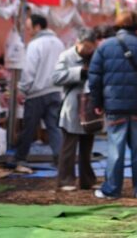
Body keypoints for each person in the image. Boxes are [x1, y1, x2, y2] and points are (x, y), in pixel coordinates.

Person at [88, 11, 137, 199]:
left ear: (118, 24)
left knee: (115, 148)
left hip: (114, 106)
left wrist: (97, 102)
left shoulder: (105, 48)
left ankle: (112, 190)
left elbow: (94, 78)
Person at [52, 27, 99, 192]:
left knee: (87, 146)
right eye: (84, 47)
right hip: (73, 105)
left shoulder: (97, 56)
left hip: (91, 105)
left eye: (90, 47)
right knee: (68, 146)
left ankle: (88, 180)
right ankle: (65, 180)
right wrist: (78, 72)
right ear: (77, 43)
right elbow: (56, 78)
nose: (87, 50)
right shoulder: (66, 56)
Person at [15, 13, 65, 166]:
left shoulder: (35, 45)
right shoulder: (59, 43)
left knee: (29, 128)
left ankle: (21, 158)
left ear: (38, 27)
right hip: (56, 90)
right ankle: (60, 159)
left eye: (29, 28)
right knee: (54, 127)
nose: (28, 31)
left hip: (37, 93)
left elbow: (29, 70)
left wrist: (22, 89)